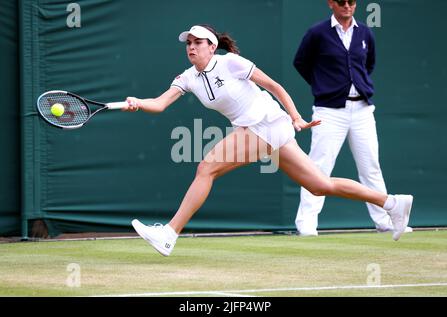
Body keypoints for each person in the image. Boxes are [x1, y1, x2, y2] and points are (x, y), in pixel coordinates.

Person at [124, 24, 413, 257]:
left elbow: (274, 86)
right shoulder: (188, 77)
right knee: (319, 184)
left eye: (198, 42)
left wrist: (296, 117)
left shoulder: (232, 64)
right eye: (188, 43)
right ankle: (392, 203)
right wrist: (137, 102)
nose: (191, 47)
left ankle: (170, 234)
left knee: (206, 168)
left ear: (212, 46)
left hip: (267, 122)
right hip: (260, 129)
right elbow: (159, 103)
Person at [292, 0, 413, 236]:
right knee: (317, 167)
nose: (347, 5)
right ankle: (306, 223)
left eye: (352, 1)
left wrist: (358, 85)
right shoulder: (317, 33)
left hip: (362, 110)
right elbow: (301, 63)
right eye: (341, 1)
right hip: (329, 110)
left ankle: (385, 220)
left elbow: (369, 64)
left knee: (371, 167)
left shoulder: (365, 32)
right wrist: (324, 84)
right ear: (331, 4)